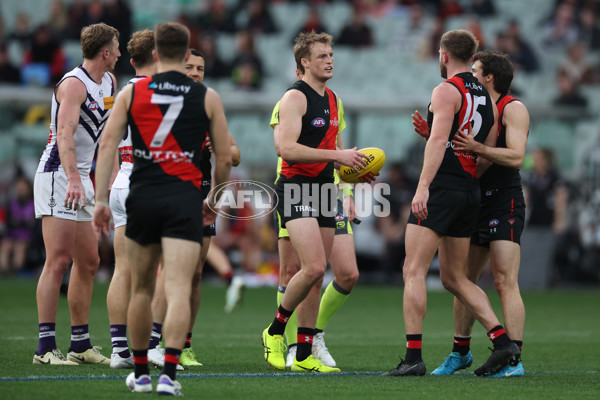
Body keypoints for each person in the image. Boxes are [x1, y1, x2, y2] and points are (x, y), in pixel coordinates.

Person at [92, 22, 231, 395]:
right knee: (178, 287)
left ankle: (138, 373)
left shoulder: (131, 93)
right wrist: (213, 199)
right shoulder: (207, 96)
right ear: (187, 56)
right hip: (184, 197)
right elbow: (225, 157)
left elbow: (107, 147)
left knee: (139, 288)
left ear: (155, 55)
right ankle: (169, 375)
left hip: (143, 196)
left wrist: (101, 201)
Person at [383, 30, 520, 377]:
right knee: (456, 278)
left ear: (444, 55)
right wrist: (437, 139)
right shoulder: (488, 99)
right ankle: (503, 342)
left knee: (412, 270)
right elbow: (477, 146)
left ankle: (413, 357)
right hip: (469, 189)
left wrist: (423, 187)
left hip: (442, 187)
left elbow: (442, 140)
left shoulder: (445, 90)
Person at [413, 51, 530, 377]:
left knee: (505, 280)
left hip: (503, 200)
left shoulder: (513, 108)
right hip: (474, 196)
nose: (469, 74)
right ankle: (459, 353)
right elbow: (459, 153)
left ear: (489, 77)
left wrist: (478, 148)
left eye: (475, 70)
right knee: (463, 279)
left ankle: (513, 359)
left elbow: (517, 156)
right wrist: (433, 137)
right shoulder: (475, 108)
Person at [261, 30, 368, 374]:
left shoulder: (334, 100)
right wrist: (338, 153)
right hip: (295, 186)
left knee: (315, 278)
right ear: (304, 63)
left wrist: (352, 171)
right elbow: (286, 148)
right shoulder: (294, 98)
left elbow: (330, 155)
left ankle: (304, 353)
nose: (330, 60)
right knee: (314, 268)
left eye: (331, 54)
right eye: (322, 56)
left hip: (325, 189)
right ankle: (275, 332)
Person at [146, 48, 242, 369]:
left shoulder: (208, 105)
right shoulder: (166, 102)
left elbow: (234, 154)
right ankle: (153, 340)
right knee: (170, 268)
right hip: (173, 192)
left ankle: (184, 344)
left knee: (196, 273)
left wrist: (222, 147)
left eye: (200, 68)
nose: (196, 72)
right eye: (190, 67)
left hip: (203, 197)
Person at [32, 22, 119, 366]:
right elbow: (64, 136)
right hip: (58, 175)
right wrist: (73, 180)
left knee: (90, 261)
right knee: (58, 260)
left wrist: (107, 185)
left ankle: (80, 344)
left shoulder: (110, 82)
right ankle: (44, 348)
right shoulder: (73, 85)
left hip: (82, 179)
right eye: (116, 47)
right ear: (105, 52)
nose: (121, 53)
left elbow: (106, 137)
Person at [105, 28, 156, 370]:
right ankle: (149, 347)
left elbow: (106, 143)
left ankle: (119, 349)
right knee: (155, 273)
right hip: (147, 183)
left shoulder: (123, 91)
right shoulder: (156, 92)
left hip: (122, 180)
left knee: (122, 269)